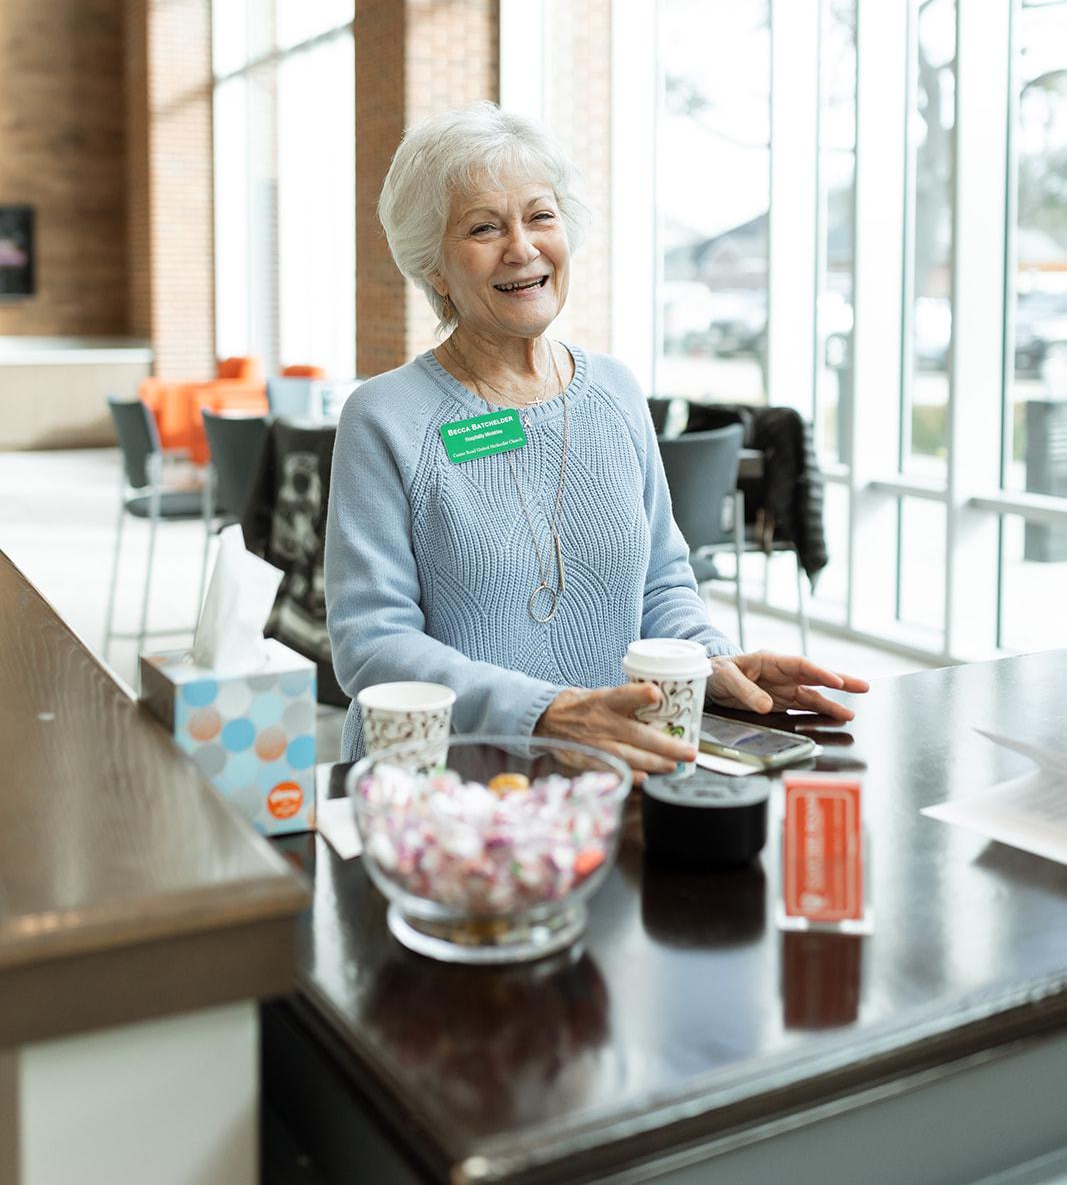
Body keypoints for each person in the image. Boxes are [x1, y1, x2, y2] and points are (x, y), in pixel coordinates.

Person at [325, 104, 867, 774]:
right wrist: (544, 712)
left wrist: (708, 660)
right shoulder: (386, 416)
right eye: (483, 227)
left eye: (539, 216)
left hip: (610, 774)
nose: (521, 248)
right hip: (445, 797)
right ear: (433, 265)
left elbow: (663, 583)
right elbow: (371, 645)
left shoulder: (613, 391)